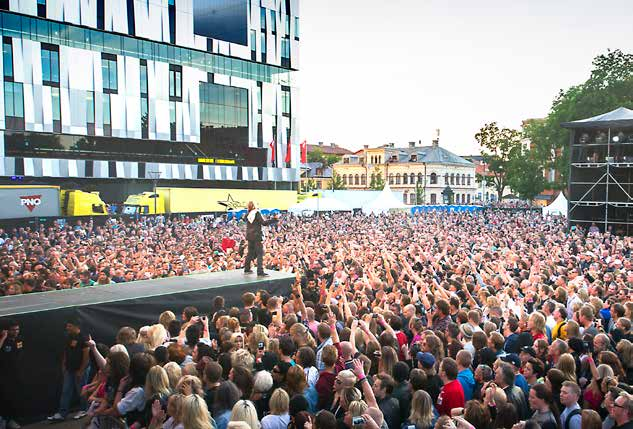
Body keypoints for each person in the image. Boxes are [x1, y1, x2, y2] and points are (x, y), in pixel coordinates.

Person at [48, 319, 91, 421]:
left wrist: (81, 370)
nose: (67, 328)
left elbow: (86, 356)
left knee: (82, 390)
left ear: (76, 326)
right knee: (66, 390)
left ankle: (84, 409)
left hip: (80, 369)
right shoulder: (68, 337)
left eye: (69, 326)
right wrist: (64, 365)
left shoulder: (83, 337)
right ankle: (62, 413)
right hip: (69, 369)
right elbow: (66, 352)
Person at [244, 201, 278, 277]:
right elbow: (264, 223)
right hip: (257, 236)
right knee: (260, 253)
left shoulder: (247, 214)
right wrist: (274, 219)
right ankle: (260, 271)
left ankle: (246, 268)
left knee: (250, 252)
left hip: (249, 236)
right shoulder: (257, 213)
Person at [0, 319, 22, 429]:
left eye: (17, 329)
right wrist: (3, 338)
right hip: (2, 375)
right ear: (7, 331)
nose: (16, 332)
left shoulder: (19, 340)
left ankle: (10, 420)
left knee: (12, 398)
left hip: (14, 376)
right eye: (13, 330)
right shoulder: (3, 340)